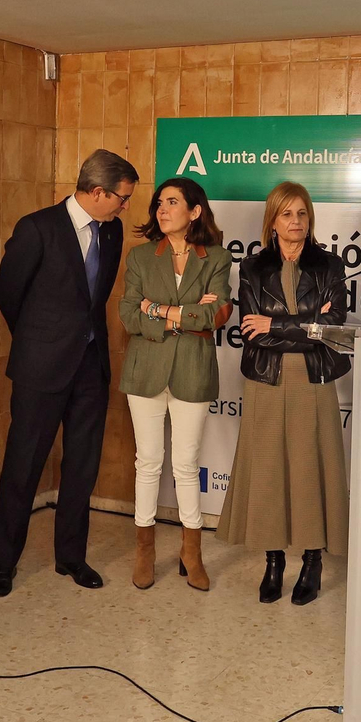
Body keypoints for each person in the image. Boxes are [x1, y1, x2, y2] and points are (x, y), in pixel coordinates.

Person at [0, 149, 135, 596]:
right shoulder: (37, 228)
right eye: (122, 198)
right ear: (98, 192)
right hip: (41, 368)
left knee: (82, 467)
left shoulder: (112, 231)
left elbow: (96, 298)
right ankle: (4, 564)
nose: (126, 206)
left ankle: (71, 557)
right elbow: (7, 293)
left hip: (90, 367)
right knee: (23, 465)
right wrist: (40, 341)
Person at [218, 181, 350, 605]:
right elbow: (251, 334)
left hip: (314, 380)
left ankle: (312, 561)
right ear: (272, 221)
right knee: (269, 470)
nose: (296, 222)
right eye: (287, 214)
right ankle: (273, 562)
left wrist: (275, 324)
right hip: (266, 380)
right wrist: (308, 323)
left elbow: (332, 328)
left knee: (311, 469)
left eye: (302, 213)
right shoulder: (253, 268)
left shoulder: (329, 266)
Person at [117, 178, 233, 591]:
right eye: (159, 203)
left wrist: (158, 309)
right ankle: (144, 551)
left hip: (193, 371)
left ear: (195, 211)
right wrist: (185, 315)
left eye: (172, 202)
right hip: (145, 371)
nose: (161, 210)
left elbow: (215, 316)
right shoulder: (140, 256)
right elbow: (129, 315)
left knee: (186, 465)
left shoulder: (217, 257)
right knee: (148, 462)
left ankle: (191, 553)